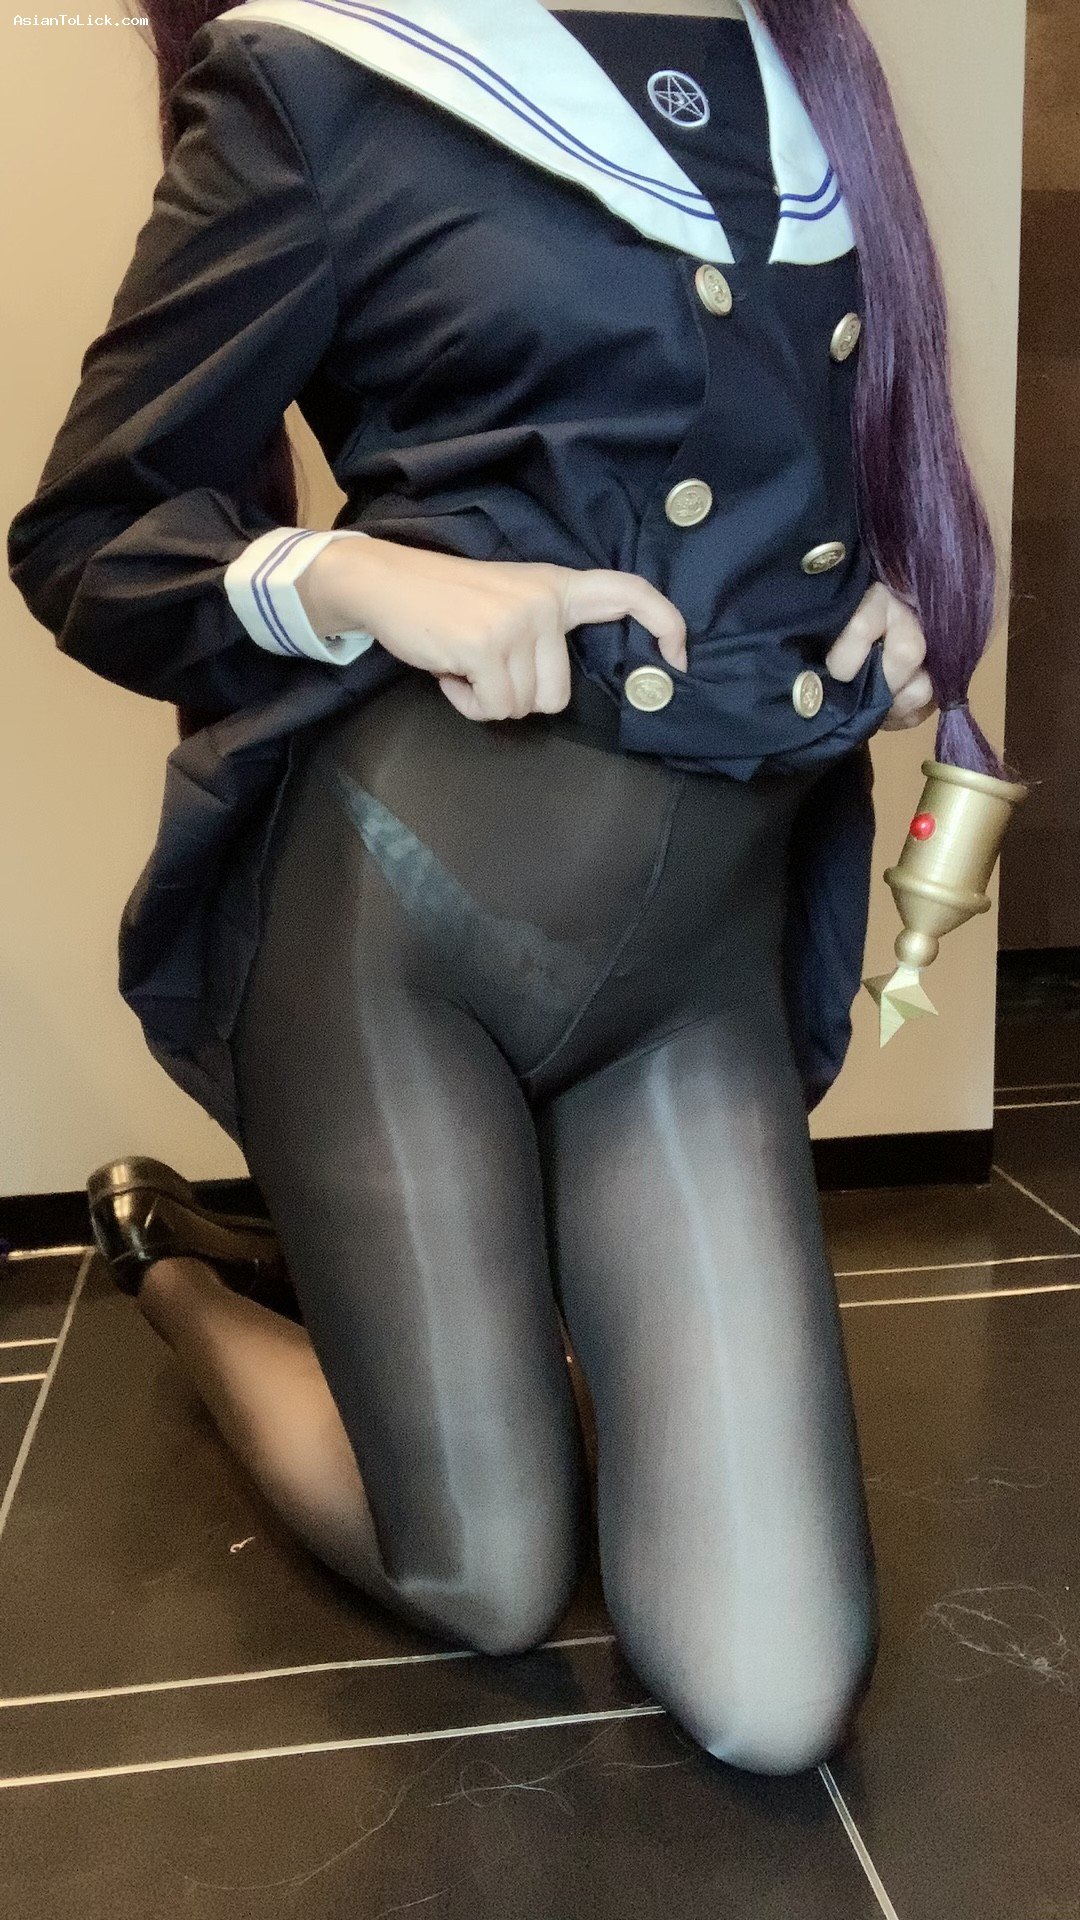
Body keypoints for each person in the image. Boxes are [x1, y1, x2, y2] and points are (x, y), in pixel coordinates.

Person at [7, 0, 1001, 1774]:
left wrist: (875, 605)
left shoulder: (791, 67)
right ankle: (178, 1273)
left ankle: (436, 1315)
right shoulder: (323, 72)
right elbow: (85, 534)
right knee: (483, 1573)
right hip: (405, 933)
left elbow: (762, 457)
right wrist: (363, 581)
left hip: (688, 969)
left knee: (775, 1696)